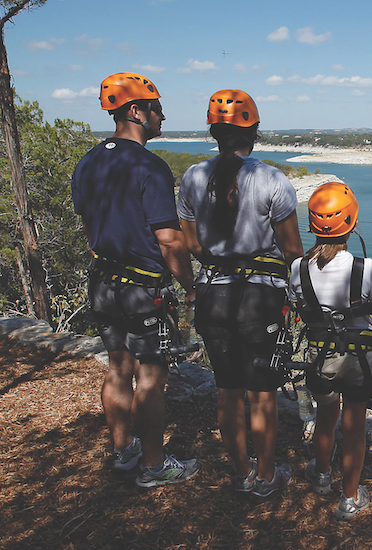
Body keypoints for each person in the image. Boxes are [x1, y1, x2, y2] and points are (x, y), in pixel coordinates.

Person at [71, 72, 199, 488]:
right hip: (143, 290)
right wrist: (191, 286)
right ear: (135, 111)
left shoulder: (88, 162)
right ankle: (154, 465)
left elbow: (90, 228)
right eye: (156, 107)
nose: (163, 114)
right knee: (150, 377)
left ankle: (124, 450)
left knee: (116, 368)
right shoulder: (149, 166)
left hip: (103, 282)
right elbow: (168, 239)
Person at [177, 89, 303, 498]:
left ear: (214, 132)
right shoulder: (271, 180)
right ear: (254, 132)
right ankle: (266, 476)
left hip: (213, 293)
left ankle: (243, 470)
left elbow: (191, 244)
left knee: (227, 390)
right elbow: (293, 251)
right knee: (262, 393)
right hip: (260, 298)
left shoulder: (193, 176)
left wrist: (218, 259)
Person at [289, 182, 372, 521]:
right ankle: (349, 497)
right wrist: (364, 332)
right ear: (352, 222)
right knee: (353, 426)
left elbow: (301, 312)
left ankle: (320, 476)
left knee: (324, 418)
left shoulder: (298, 268)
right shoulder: (366, 269)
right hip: (358, 361)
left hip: (320, 359)